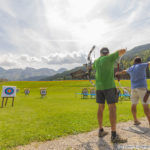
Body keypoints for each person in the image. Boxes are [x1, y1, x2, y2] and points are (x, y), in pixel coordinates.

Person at [92, 47, 127, 143]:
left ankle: (100, 130)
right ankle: (114, 135)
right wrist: (124, 50)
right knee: (112, 108)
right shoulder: (109, 57)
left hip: (99, 87)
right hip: (109, 86)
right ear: (108, 53)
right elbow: (121, 51)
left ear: (100, 53)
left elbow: (93, 67)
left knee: (100, 108)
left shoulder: (96, 61)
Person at [116, 57, 150, 126]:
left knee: (133, 104)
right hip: (142, 88)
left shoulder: (131, 68)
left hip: (133, 89)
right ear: (140, 62)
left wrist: (118, 73)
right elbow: (149, 63)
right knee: (145, 105)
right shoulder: (141, 65)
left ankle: (135, 120)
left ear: (134, 62)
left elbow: (124, 71)